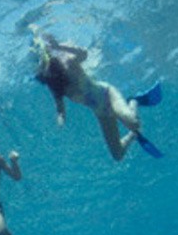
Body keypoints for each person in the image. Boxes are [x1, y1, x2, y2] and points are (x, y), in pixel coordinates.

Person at [33, 32, 163, 160]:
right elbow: (60, 109)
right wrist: (60, 120)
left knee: (132, 122)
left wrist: (59, 47)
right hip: (101, 112)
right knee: (117, 154)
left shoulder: (70, 65)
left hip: (108, 95)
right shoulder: (56, 88)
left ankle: (134, 101)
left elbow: (84, 53)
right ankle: (133, 135)